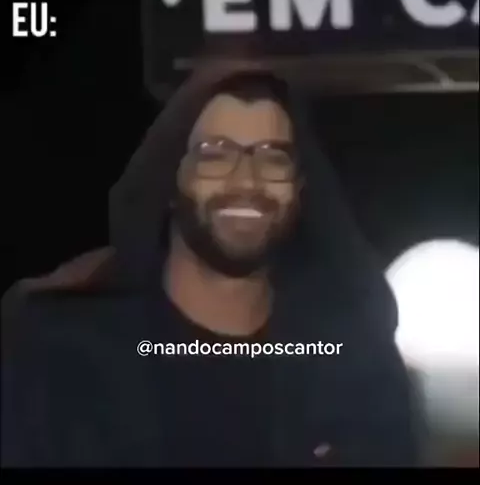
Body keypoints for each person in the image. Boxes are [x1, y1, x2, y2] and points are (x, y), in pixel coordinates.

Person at [1, 60, 420, 467]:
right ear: (171, 177)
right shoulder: (61, 355)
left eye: (273, 158)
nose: (247, 180)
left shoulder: (353, 363)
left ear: (299, 188)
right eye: (215, 154)